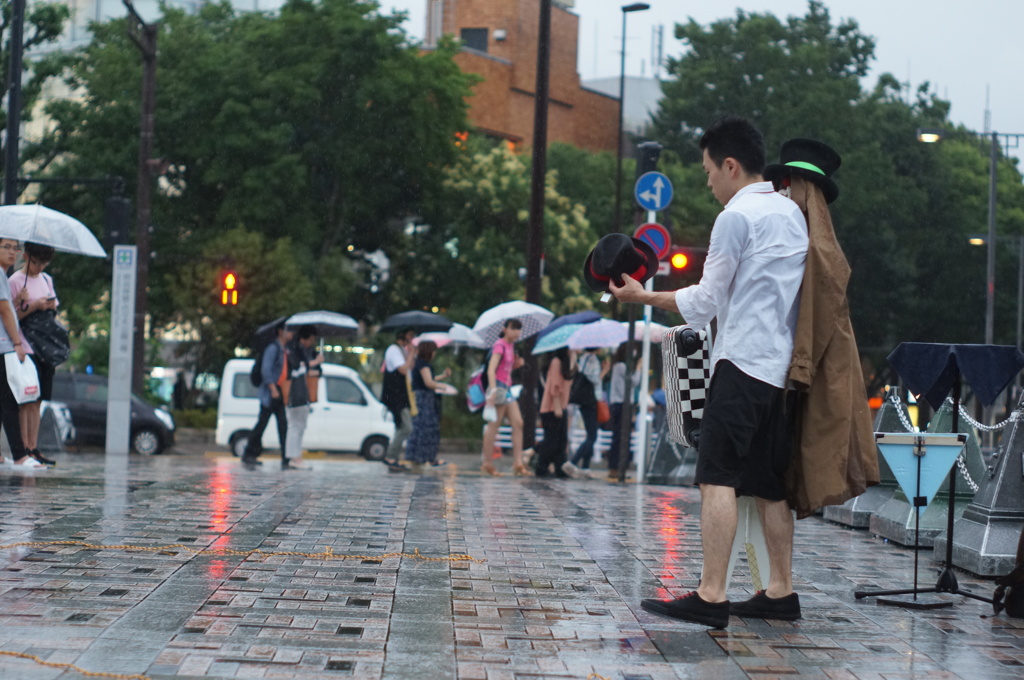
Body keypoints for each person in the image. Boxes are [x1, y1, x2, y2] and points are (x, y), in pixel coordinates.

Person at [609, 116, 808, 628]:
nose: (708, 182)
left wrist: (641, 296)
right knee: (768, 484)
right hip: (779, 368)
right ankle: (781, 591)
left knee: (716, 477)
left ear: (730, 165)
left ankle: (712, 594)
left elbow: (704, 301)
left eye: (707, 171)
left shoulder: (736, 218)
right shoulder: (791, 213)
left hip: (740, 364)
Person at [9, 242, 59, 466]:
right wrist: (27, 304)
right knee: (26, 398)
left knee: (38, 400)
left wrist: (45, 305)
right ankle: (24, 448)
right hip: (24, 346)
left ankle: (33, 446)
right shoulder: (14, 281)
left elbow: (54, 306)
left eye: (44, 263)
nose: (39, 268)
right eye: (36, 262)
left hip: (45, 347)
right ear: (26, 257)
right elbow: (9, 317)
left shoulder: (47, 280)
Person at [0, 239, 39, 468]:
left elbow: (6, 307)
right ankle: (20, 455)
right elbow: (4, 310)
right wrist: (17, 343)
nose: (13, 252)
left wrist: (17, 302)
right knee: (9, 400)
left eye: (16, 248)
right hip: (4, 345)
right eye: (6, 247)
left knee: (2, 400)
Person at [480, 319, 533, 476]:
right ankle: (487, 463)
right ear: (505, 329)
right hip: (499, 388)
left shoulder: (511, 346)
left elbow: (506, 368)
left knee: (518, 423)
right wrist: (493, 391)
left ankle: (517, 463)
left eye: (519, 329)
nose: (517, 332)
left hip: (507, 388)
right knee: (493, 427)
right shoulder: (500, 345)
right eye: (514, 328)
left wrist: (517, 365)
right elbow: (491, 369)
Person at [242, 321, 292, 466]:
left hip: (279, 392)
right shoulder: (273, 348)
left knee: (283, 425)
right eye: (287, 330)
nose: (290, 333)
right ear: (280, 332)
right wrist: (273, 388)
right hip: (271, 394)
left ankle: (285, 457)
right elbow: (266, 370)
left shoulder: (284, 349)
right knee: (262, 425)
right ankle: (249, 452)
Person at [403, 340, 452, 469]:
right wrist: (442, 386)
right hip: (425, 400)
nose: (435, 353)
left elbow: (430, 379)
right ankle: (424, 457)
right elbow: (429, 383)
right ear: (429, 352)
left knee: (419, 428)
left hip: (419, 399)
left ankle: (416, 457)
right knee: (427, 428)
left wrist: (442, 377)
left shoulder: (418, 364)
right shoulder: (424, 365)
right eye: (434, 350)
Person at [282, 324, 323, 469]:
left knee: (300, 426)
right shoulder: (293, 348)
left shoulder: (308, 351)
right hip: (296, 390)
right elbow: (297, 367)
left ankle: (295, 456)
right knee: (295, 426)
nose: (311, 342)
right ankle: (294, 457)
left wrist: (315, 364)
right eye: (311, 339)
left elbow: (313, 369)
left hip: (305, 391)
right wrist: (313, 363)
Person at [563, 347, 608, 479]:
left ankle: (586, 468)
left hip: (583, 400)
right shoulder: (592, 360)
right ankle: (573, 462)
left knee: (590, 434)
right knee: (592, 435)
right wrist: (604, 370)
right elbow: (595, 380)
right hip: (590, 400)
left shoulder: (582, 358)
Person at [533, 347, 574, 478]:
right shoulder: (556, 362)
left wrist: (573, 358)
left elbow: (570, 377)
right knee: (552, 441)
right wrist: (557, 406)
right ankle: (541, 467)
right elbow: (555, 385)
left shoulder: (565, 362)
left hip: (561, 406)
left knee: (561, 440)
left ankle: (560, 468)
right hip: (552, 407)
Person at [380, 329, 416, 470]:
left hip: (403, 394)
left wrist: (411, 354)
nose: (412, 339)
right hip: (395, 395)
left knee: (401, 426)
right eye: (410, 336)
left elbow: (410, 366)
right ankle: (390, 456)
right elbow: (402, 369)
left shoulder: (402, 350)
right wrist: (411, 353)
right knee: (406, 426)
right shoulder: (393, 349)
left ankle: (393, 459)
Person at [606, 344, 641, 481]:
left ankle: (617, 467)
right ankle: (617, 467)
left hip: (619, 405)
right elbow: (633, 382)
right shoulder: (621, 367)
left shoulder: (617, 366)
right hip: (622, 405)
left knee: (620, 437)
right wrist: (638, 368)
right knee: (622, 437)